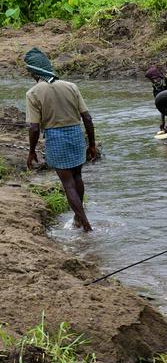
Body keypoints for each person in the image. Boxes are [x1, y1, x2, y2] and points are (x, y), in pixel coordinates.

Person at [24, 47, 98, 232]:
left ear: (34, 72)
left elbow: (34, 127)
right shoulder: (71, 86)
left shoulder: (33, 93)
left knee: (67, 184)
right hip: (76, 134)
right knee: (77, 176)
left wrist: (32, 151)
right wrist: (92, 144)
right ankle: (78, 219)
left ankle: (86, 225)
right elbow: (87, 118)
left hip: (55, 137)